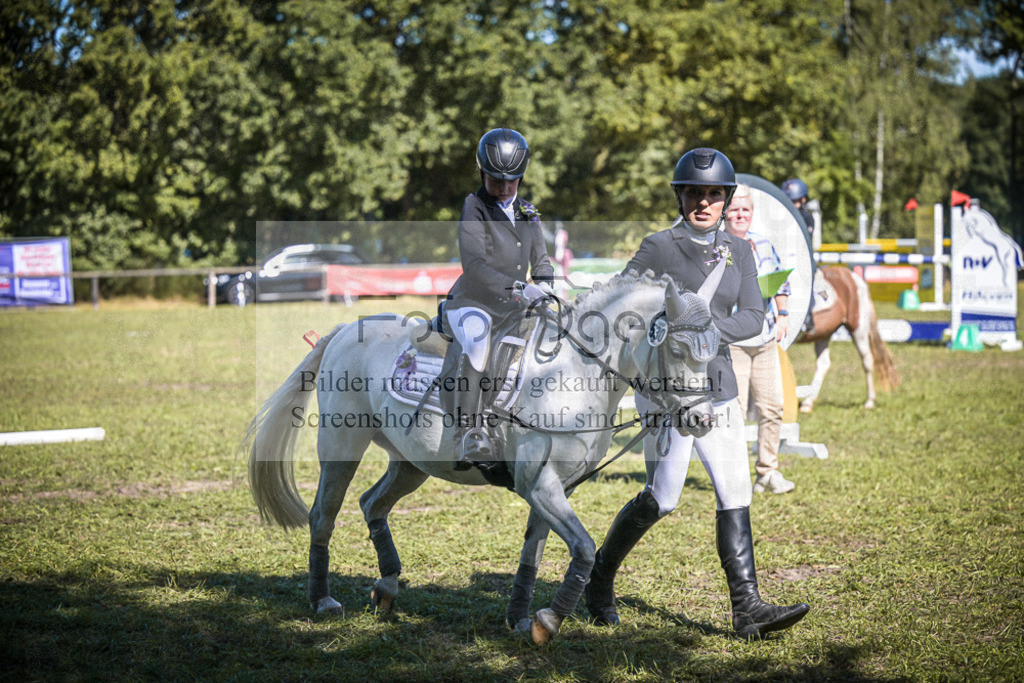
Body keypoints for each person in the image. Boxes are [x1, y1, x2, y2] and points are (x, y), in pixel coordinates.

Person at [585, 148, 809, 639]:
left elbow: (754, 314)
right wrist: (667, 331)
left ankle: (747, 607)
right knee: (663, 497)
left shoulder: (741, 251)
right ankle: (597, 581)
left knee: (736, 491)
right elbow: (623, 307)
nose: (704, 203)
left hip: (718, 385)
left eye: (713, 194)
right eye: (695, 193)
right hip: (665, 392)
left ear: (726, 198)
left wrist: (705, 329)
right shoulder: (657, 246)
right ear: (680, 195)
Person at [445, 128, 554, 470]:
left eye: (513, 181)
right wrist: (520, 289)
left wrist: (548, 287)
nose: (505, 188)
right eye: (497, 180)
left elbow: (542, 261)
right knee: (477, 344)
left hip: (514, 306)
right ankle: (468, 434)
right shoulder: (474, 206)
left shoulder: (529, 212)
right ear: (482, 172)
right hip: (473, 303)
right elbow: (474, 267)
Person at [724, 184, 796, 494]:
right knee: (735, 412)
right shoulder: (715, 247)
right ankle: (735, 475)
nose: (741, 215)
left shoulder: (763, 245)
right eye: (735, 210)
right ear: (725, 214)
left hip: (765, 339)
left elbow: (780, 283)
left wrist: (782, 316)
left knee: (772, 408)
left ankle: (767, 473)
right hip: (733, 342)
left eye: (746, 210)